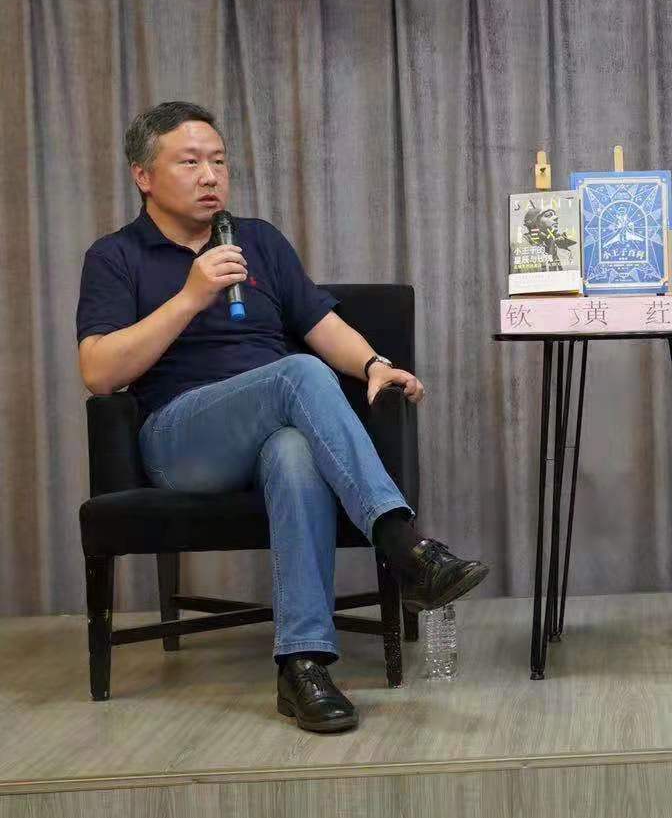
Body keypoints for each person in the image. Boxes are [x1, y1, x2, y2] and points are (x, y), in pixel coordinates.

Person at [76, 100, 489, 732]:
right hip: (182, 439)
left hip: (274, 425)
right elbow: (99, 371)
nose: (210, 176)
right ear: (143, 175)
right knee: (297, 374)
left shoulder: (259, 240)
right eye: (190, 162)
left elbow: (320, 324)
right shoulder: (115, 256)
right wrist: (190, 296)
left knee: (295, 450)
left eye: (219, 161)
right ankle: (403, 545)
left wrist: (374, 363)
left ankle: (302, 666)